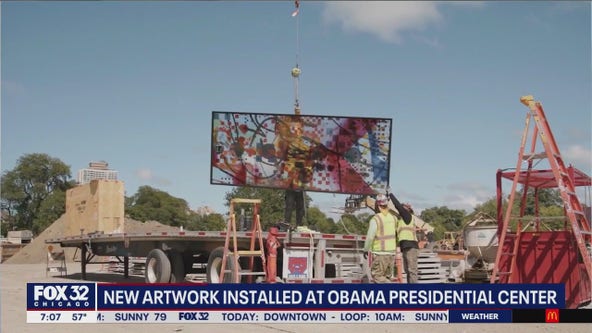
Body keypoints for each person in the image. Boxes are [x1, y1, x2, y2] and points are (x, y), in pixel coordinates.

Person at [363, 193, 398, 283]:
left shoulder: (376, 219)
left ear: (377, 205)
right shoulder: (394, 218)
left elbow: (370, 236)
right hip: (392, 253)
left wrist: (366, 249)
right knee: (387, 277)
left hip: (381, 253)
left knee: (377, 276)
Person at [389, 192, 419, 283]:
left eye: (404, 207)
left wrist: (390, 194)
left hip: (411, 246)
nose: (401, 209)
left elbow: (398, 206)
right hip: (406, 247)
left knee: (411, 270)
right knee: (408, 270)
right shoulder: (402, 220)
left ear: (408, 209)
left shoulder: (407, 216)